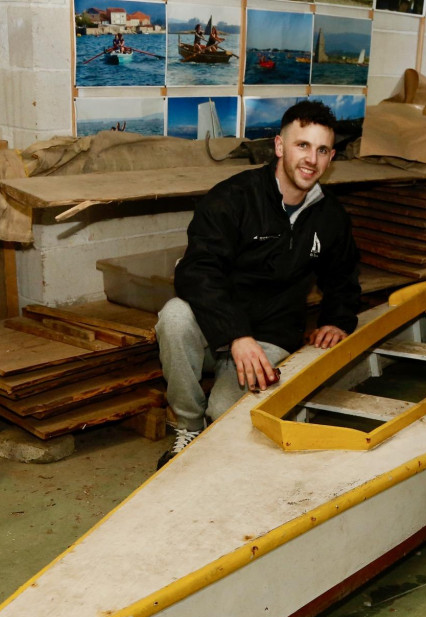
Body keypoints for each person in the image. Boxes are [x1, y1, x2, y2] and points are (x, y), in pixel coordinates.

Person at [154, 100, 361, 467]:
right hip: (217, 327)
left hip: (271, 332)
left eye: (322, 150)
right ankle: (187, 427)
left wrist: (337, 319)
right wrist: (235, 334)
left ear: (330, 158)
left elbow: (343, 276)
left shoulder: (331, 217)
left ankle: (214, 408)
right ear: (280, 146)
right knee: (174, 315)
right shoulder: (232, 198)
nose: (311, 159)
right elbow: (196, 271)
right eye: (302, 145)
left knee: (224, 415)